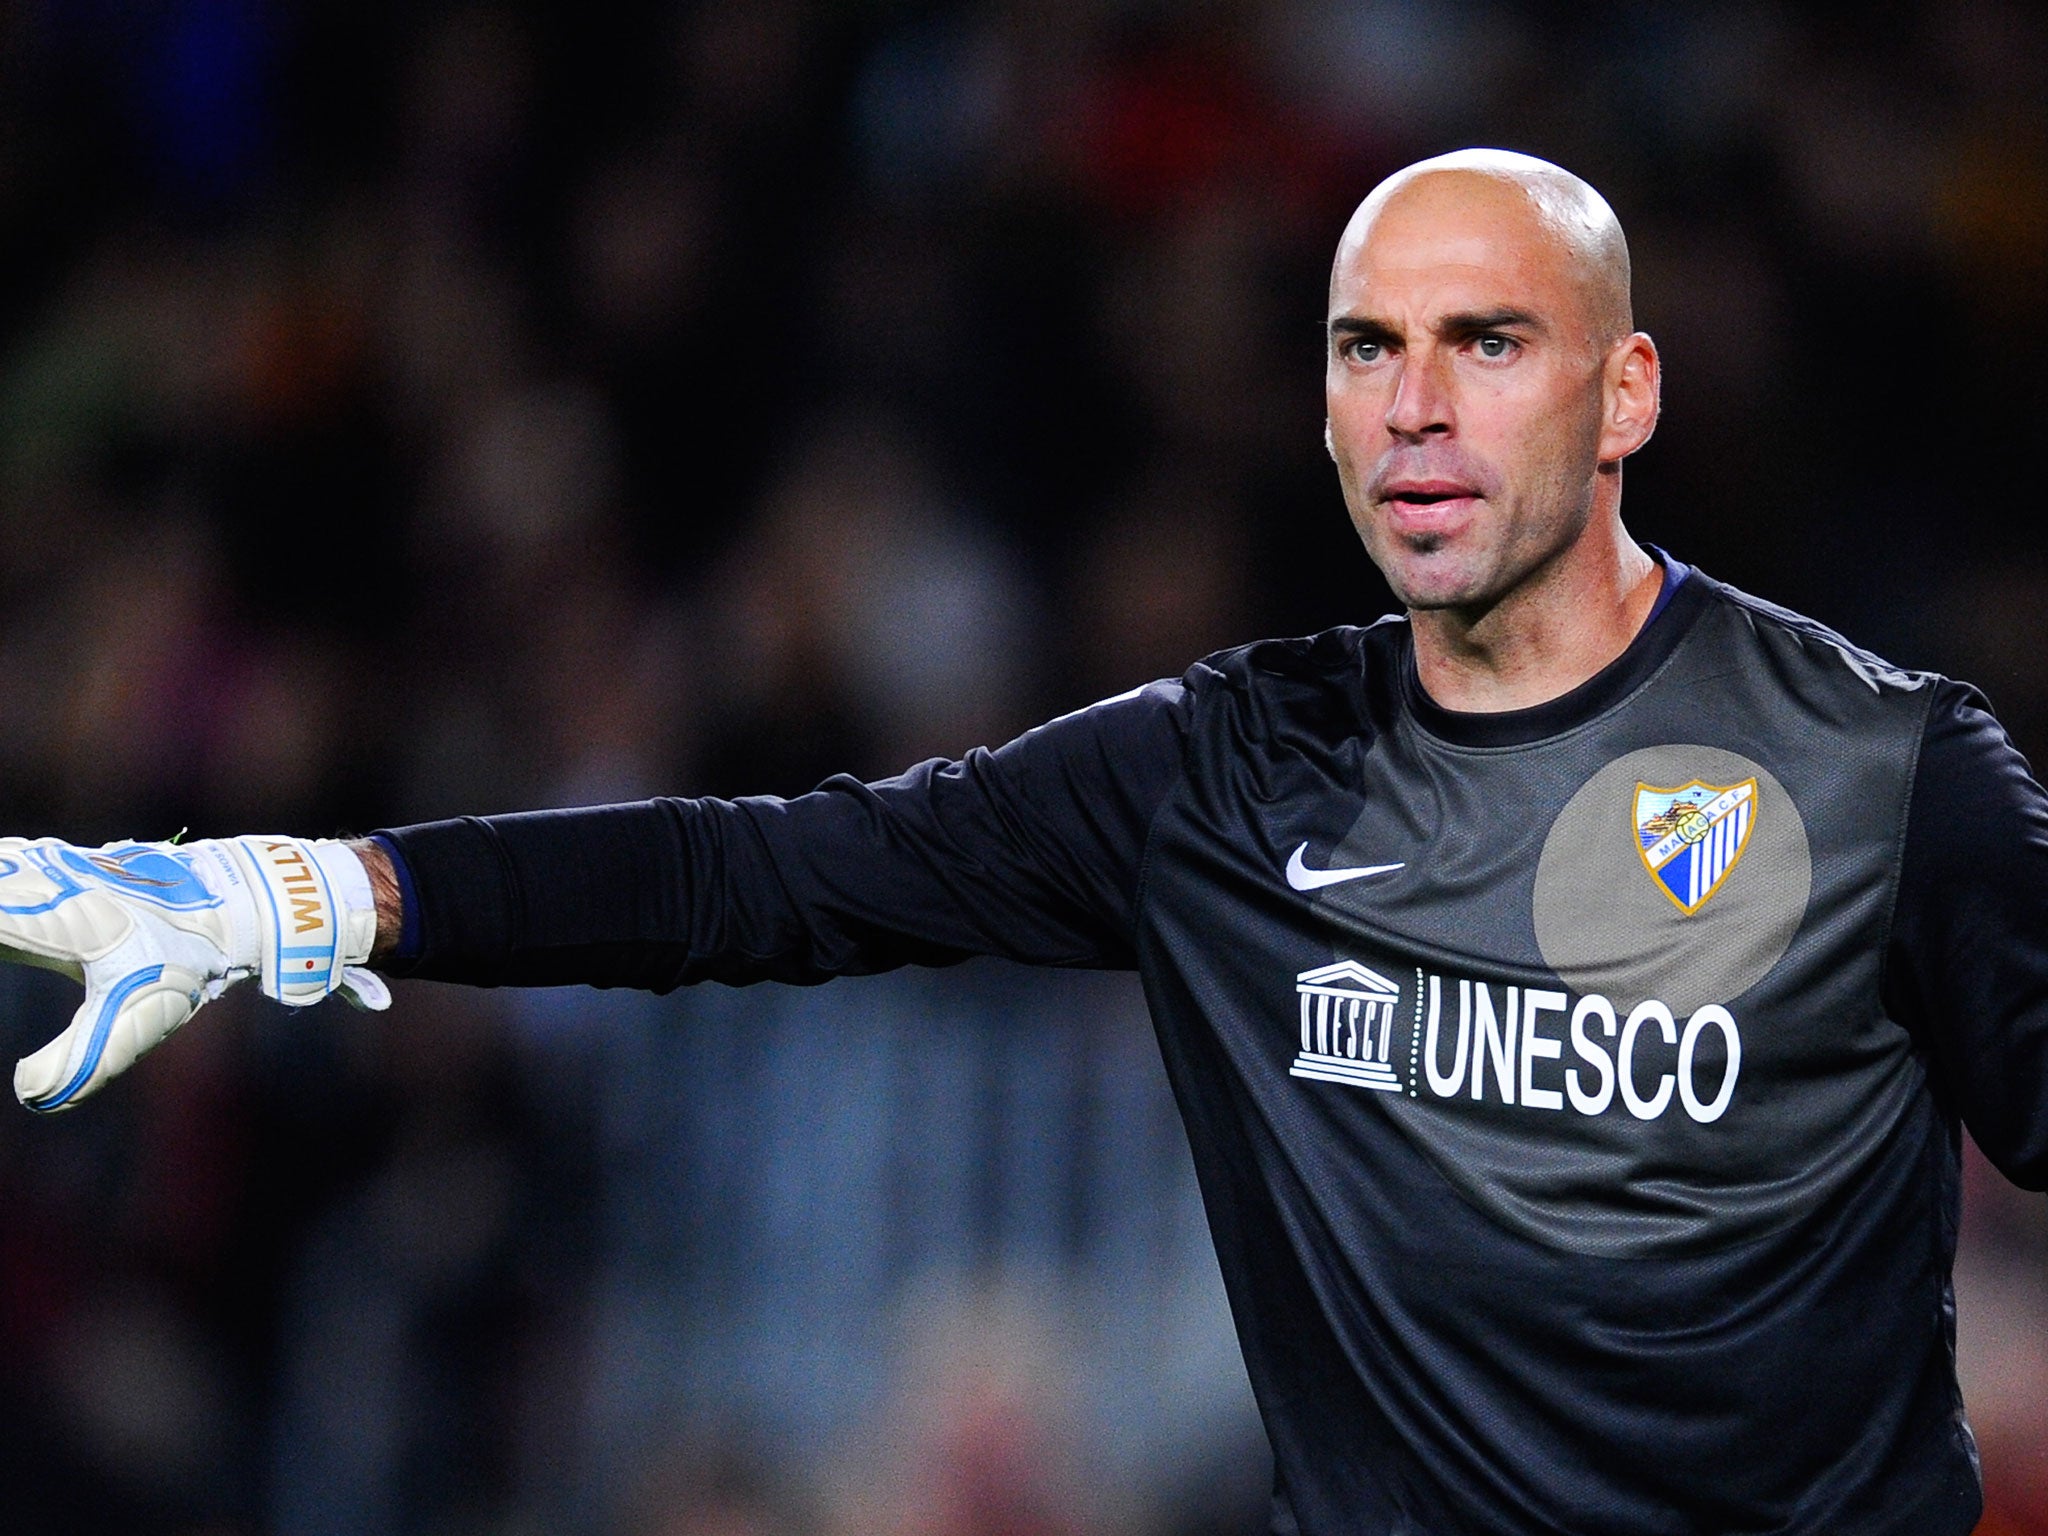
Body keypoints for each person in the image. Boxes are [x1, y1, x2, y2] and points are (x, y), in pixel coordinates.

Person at [2, 148, 2043, 1534]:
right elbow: (768, 876)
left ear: (1622, 393)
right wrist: (311, 889)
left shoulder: (1880, 772)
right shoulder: (1231, 776)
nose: (1416, 407)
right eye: (1365, 349)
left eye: (1486, 344)